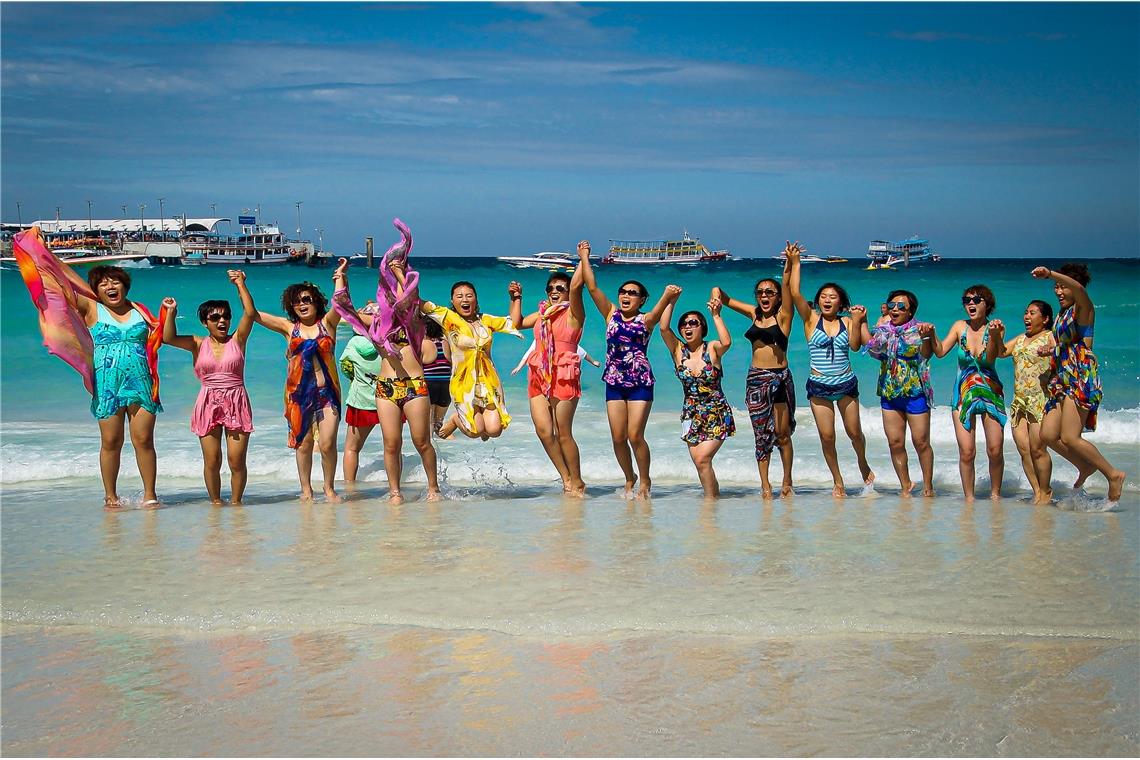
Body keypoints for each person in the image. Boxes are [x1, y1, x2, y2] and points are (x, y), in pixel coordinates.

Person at [579, 241, 677, 499]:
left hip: (640, 381)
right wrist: (585, 257)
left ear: (642, 299)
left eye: (632, 293)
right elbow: (592, 287)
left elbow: (659, 312)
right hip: (614, 380)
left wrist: (668, 295)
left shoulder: (645, 320)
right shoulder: (610, 314)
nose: (626, 295)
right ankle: (629, 477)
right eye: (623, 291)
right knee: (618, 437)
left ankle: (645, 479)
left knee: (635, 435)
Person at [72, 264, 169, 508]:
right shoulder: (92, 308)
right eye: (103, 283)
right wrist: (43, 256)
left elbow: (163, 338)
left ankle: (150, 495)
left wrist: (169, 311)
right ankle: (111, 496)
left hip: (141, 383)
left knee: (144, 440)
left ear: (125, 286)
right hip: (107, 385)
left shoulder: (141, 312)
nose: (110, 287)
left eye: (115, 282)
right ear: (95, 290)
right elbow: (64, 287)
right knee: (111, 442)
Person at [785, 244, 874, 497]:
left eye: (832, 297)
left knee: (854, 432)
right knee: (827, 437)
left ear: (841, 303)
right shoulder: (811, 320)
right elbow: (794, 292)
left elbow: (856, 347)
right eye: (823, 296)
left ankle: (862, 460)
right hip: (819, 386)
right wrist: (796, 262)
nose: (826, 299)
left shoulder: (848, 321)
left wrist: (858, 321)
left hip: (846, 384)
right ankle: (838, 481)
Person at [1032, 263, 1126, 502]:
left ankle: (1113, 474)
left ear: (1076, 287)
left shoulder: (1083, 307)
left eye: (1063, 287)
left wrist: (1051, 273)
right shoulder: (1063, 313)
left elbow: (1080, 291)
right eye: (1055, 287)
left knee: (1071, 437)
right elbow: (1060, 341)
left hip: (1079, 377)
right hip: (1061, 380)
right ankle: (1085, 466)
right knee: (1049, 435)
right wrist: (1049, 348)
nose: (1058, 292)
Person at [160, 270, 255, 504]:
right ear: (205, 322)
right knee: (212, 460)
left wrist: (240, 284)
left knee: (236, 460)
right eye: (215, 318)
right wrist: (170, 313)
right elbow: (168, 338)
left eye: (225, 317)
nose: (221, 322)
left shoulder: (238, 340)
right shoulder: (196, 343)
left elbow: (250, 313)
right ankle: (215, 503)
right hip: (208, 401)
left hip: (236, 399)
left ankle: (235, 504)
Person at [712, 241, 798, 498]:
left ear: (778, 297)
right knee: (761, 433)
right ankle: (765, 484)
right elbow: (725, 299)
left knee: (782, 435)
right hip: (756, 380)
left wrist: (790, 262)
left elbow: (787, 285)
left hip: (780, 378)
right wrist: (716, 295)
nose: (765, 296)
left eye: (770, 292)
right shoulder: (753, 314)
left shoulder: (784, 316)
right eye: (760, 292)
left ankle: (787, 480)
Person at [252, 265, 346, 502]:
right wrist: (241, 284)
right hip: (298, 397)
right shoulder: (289, 328)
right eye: (296, 301)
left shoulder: (328, 324)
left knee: (326, 443)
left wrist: (340, 278)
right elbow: (252, 314)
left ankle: (329, 488)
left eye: (307, 299)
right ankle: (306, 489)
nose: (302, 304)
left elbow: (341, 303)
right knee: (303, 445)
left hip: (327, 395)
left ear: (316, 302)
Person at [508, 254, 589, 495]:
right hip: (538, 375)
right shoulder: (542, 314)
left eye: (560, 288)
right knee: (544, 431)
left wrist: (583, 259)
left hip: (563, 375)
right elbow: (517, 322)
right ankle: (566, 478)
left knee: (563, 433)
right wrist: (516, 298)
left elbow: (577, 286)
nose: (555, 291)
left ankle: (577, 481)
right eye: (551, 288)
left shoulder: (574, 314)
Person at [928, 285, 1007, 502]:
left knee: (995, 449)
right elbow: (941, 351)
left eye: (976, 299)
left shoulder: (996, 327)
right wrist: (931, 334)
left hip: (991, 393)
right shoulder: (959, 326)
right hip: (963, 394)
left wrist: (993, 336)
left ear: (986, 304)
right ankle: (969, 500)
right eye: (967, 300)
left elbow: (991, 358)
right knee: (967, 452)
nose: (970, 303)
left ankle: (995, 495)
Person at [658, 290, 735, 498]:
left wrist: (716, 315)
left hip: (716, 411)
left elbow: (727, 342)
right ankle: (712, 500)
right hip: (691, 413)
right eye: (684, 324)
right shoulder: (677, 351)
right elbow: (664, 327)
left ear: (702, 328)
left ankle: (711, 499)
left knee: (702, 459)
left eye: (693, 323)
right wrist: (671, 301)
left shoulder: (711, 348)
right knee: (701, 464)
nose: (687, 327)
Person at [421, 281, 521, 440]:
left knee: (494, 431)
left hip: (489, 382)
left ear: (476, 299)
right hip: (464, 383)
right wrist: (402, 277)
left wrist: (515, 298)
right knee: (475, 432)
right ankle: (455, 419)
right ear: (452, 301)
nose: (465, 300)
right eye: (459, 296)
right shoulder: (448, 319)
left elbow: (514, 323)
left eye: (469, 295)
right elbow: (420, 303)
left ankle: (479, 421)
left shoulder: (485, 320)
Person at [860, 289, 936, 497]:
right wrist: (863, 322)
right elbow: (872, 349)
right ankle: (905, 486)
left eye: (901, 306)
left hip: (915, 391)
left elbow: (927, 355)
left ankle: (928, 486)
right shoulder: (883, 330)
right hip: (890, 392)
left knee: (921, 441)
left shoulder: (919, 329)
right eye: (892, 305)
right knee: (895, 442)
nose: (895, 309)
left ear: (910, 311)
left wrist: (927, 336)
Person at [998, 300, 1056, 504]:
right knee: (1023, 449)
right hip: (1019, 401)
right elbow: (1001, 352)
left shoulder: (1051, 337)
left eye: (1032, 313)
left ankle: (1046, 490)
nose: (1027, 317)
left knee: (1038, 449)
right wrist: (999, 335)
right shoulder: (1021, 339)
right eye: (1025, 312)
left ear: (1045, 318)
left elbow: (1063, 354)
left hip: (1041, 400)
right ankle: (1037, 491)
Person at [339, 332, 383, 485]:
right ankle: (395, 488)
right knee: (393, 446)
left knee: (352, 448)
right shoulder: (388, 339)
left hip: (361, 400)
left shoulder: (354, 343)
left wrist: (356, 378)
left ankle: (350, 486)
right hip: (388, 398)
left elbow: (345, 366)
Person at [421, 318, 453, 435]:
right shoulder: (445, 342)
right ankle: (451, 447)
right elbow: (450, 361)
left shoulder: (424, 344)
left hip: (429, 384)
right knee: (438, 423)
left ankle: (431, 451)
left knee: (428, 424)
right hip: (446, 385)